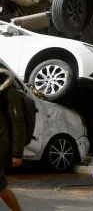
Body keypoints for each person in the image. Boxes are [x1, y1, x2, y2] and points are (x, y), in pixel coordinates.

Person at [0, 68, 25, 211]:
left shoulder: (8, 89)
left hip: (1, 144)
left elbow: (17, 122)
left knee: (1, 187)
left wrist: (17, 153)